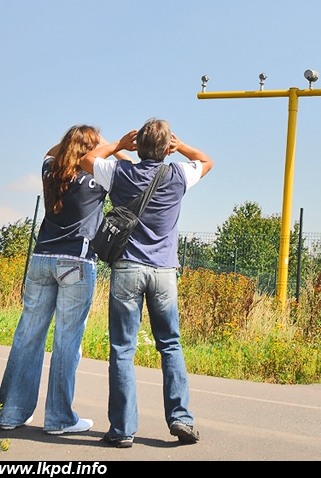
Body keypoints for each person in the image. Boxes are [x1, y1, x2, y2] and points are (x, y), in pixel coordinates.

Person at [80, 118, 212, 449]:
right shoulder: (179, 174)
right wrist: (180, 147)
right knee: (170, 344)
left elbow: (85, 160)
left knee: (123, 348)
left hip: (127, 269)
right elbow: (207, 161)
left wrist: (119, 146)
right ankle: (180, 418)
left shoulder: (119, 173)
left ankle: (123, 430)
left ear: (138, 145)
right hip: (164, 271)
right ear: (167, 147)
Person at [0, 125, 124, 435]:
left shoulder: (50, 170)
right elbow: (130, 166)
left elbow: (51, 152)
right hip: (76, 263)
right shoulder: (100, 175)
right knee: (67, 341)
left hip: (41, 259)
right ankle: (58, 419)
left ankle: (11, 413)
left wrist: (74, 142)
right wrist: (111, 144)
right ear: (92, 149)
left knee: (28, 335)